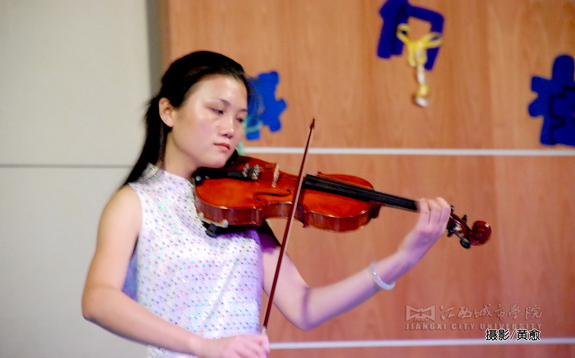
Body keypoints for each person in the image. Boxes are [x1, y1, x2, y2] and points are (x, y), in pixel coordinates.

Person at [82, 50, 451, 358]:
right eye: (217, 110)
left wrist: (402, 260)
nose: (231, 128)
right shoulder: (136, 202)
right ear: (168, 112)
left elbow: (304, 307)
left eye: (240, 118)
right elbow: (98, 300)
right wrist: (204, 346)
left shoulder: (238, 205)